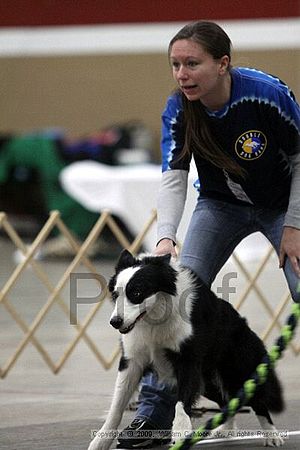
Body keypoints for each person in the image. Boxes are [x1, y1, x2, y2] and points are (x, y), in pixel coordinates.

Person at [117, 20, 300, 448]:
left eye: (192, 64)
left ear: (223, 64)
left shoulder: (266, 94)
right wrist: (165, 237)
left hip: (283, 206)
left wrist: (293, 225)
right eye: (176, 64)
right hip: (219, 207)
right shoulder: (178, 109)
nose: (182, 74)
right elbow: (174, 175)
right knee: (173, 300)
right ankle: (153, 417)